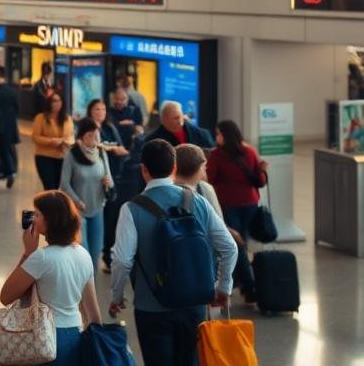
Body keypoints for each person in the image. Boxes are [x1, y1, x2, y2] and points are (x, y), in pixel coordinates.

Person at [110, 140, 237, 366]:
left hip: (152, 306)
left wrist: (117, 296)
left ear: (144, 170)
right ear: (175, 168)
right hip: (194, 303)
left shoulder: (131, 209)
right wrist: (223, 287)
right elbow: (229, 247)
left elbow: (122, 260)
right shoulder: (197, 200)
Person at [0, 190, 103, 365]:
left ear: (50, 221)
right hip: (75, 335)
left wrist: (28, 253)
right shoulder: (83, 254)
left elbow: (6, 296)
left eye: (37, 214)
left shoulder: (42, 258)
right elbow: (93, 313)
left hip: (47, 336)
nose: (33, 219)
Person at [205, 119, 267, 304]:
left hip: (228, 204)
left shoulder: (216, 155)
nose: (216, 137)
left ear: (226, 135)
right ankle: (244, 283)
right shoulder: (250, 152)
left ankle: (248, 285)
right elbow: (260, 181)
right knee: (242, 243)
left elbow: (210, 178)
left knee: (236, 244)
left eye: (218, 133)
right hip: (250, 203)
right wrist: (263, 170)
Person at [60, 117, 114, 271]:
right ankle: (79, 290)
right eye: (90, 135)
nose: (94, 139)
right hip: (78, 210)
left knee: (96, 252)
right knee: (83, 252)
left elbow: (111, 182)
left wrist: (107, 182)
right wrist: (77, 201)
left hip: (97, 207)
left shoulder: (102, 153)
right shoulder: (72, 154)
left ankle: (91, 290)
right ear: (81, 136)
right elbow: (64, 184)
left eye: (96, 135)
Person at [90, 99, 131, 272]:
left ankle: (108, 256)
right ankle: (92, 255)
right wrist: (108, 148)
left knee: (111, 218)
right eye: (97, 109)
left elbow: (123, 149)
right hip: (93, 180)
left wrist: (110, 148)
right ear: (90, 111)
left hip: (113, 177)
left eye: (103, 108)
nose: (100, 112)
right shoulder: (88, 129)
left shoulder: (110, 128)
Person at [32, 91, 74, 191]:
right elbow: (36, 137)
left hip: (62, 157)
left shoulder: (67, 118)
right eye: (54, 101)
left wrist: (66, 141)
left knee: (56, 186)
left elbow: (71, 136)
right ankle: (48, 205)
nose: (57, 103)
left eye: (59, 101)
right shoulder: (40, 118)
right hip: (44, 156)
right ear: (49, 103)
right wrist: (51, 141)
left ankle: (52, 205)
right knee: (49, 186)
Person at [0, 66, 21, 189]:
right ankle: (10, 173)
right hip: (8, 129)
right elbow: (17, 110)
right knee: (6, 151)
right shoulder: (12, 91)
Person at [143, 101, 215, 150]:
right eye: (176, 118)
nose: (180, 121)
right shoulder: (152, 141)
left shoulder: (201, 134)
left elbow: (212, 157)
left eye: (181, 116)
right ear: (163, 119)